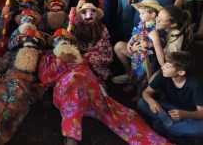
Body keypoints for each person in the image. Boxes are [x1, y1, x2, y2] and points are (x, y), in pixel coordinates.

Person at [38, 33, 171, 145]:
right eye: (58, 40)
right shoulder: (49, 59)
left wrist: (78, 62)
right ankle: (71, 132)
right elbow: (47, 78)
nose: (62, 42)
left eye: (65, 39)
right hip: (66, 91)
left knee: (118, 115)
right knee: (73, 84)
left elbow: (92, 71)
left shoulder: (83, 57)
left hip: (89, 92)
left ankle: (71, 133)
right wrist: (60, 62)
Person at [0, 22, 45, 145]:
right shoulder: (11, 55)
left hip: (25, 92)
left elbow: (43, 81)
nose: (29, 43)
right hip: (7, 85)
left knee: (11, 118)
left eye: (33, 41)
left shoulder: (41, 60)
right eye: (26, 39)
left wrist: (36, 91)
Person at [138, 51, 203, 139]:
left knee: (200, 128)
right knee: (142, 102)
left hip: (188, 112)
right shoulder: (163, 74)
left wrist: (185, 114)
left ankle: (164, 126)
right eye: (165, 63)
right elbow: (146, 92)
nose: (163, 67)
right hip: (167, 107)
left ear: (181, 72)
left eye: (168, 66)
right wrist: (151, 101)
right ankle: (171, 127)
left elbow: (201, 113)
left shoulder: (195, 84)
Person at [113, 0, 165, 87]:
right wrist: (130, 44)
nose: (140, 16)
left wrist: (163, 65)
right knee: (119, 46)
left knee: (143, 73)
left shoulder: (155, 29)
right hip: (137, 52)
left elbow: (158, 46)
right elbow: (134, 36)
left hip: (148, 57)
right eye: (140, 13)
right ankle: (130, 75)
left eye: (142, 13)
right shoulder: (142, 23)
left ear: (153, 14)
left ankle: (141, 86)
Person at [73, 0, 112, 82]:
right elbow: (76, 43)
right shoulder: (78, 28)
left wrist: (88, 54)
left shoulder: (102, 28)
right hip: (84, 54)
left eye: (92, 12)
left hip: (100, 55)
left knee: (90, 61)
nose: (89, 15)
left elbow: (103, 45)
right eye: (84, 12)